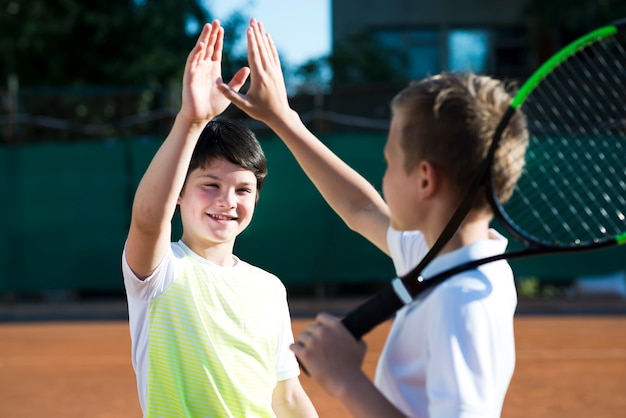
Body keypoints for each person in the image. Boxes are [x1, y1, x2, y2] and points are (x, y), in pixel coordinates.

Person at [218, 19, 528, 418]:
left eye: (388, 163)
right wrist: (282, 118)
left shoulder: (464, 302)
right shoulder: (444, 256)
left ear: (425, 179)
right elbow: (360, 208)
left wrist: (346, 378)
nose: (383, 178)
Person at [122, 20, 318, 418]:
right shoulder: (160, 272)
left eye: (243, 190)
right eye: (210, 185)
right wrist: (191, 121)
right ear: (178, 193)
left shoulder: (269, 288)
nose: (227, 200)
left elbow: (288, 396)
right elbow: (147, 221)